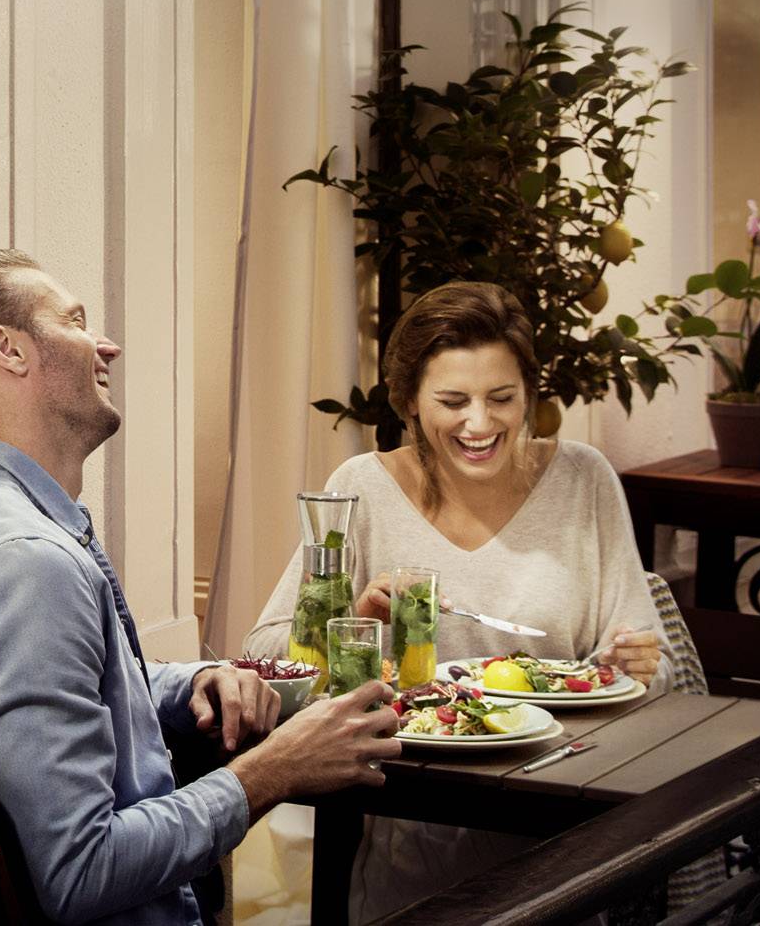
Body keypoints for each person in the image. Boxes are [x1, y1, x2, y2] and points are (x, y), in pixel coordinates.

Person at [0, 246, 400, 926]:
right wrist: (274, 769)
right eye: (75, 321)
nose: (107, 343)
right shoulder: (27, 563)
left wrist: (192, 681)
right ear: (7, 349)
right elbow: (80, 873)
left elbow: (74, 684)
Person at [240, 281, 668, 917]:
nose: (479, 423)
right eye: (452, 400)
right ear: (410, 401)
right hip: (409, 826)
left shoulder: (584, 480)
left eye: (502, 398)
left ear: (529, 393)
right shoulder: (360, 488)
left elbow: (649, 671)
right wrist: (353, 622)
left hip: (561, 823)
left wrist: (632, 661)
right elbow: (267, 655)